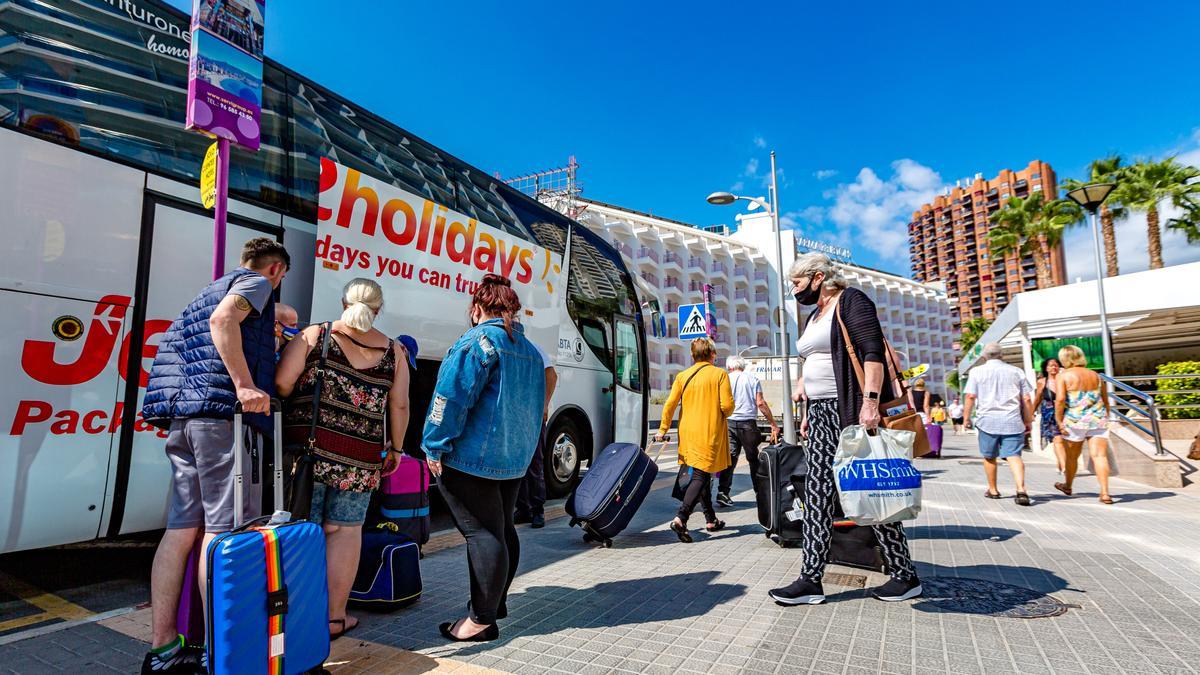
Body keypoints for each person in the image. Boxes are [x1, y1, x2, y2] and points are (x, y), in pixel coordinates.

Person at [140, 237, 289, 674]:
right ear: (276, 270)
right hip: (219, 418)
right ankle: (219, 653)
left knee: (181, 529)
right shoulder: (258, 284)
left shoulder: (208, 291)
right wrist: (245, 384)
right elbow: (225, 322)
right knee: (222, 531)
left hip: (183, 418)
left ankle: (163, 649)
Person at [768, 253, 922, 605]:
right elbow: (814, 359)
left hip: (850, 409)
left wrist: (869, 403)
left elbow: (872, 353)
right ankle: (810, 578)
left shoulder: (852, 301)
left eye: (797, 282)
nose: (795, 289)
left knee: (870, 489)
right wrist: (807, 402)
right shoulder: (814, 314)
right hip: (821, 413)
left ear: (818, 277)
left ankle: (904, 575)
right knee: (818, 493)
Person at [276, 278, 409, 640]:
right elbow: (398, 404)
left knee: (305, 532)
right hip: (362, 460)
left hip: (310, 455)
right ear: (379, 309)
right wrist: (395, 448)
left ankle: (295, 618)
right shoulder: (393, 351)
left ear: (342, 302)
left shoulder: (316, 336)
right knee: (346, 532)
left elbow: (283, 383)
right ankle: (335, 618)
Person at [422, 274, 544, 642]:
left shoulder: (477, 342)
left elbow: (451, 398)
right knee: (503, 530)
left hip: (471, 457)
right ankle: (496, 603)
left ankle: (480, 620)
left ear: (477, 308)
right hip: (512, 459)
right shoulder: (530, 350)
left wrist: (434, 444)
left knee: (483, 533)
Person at [653, 338, 734, 542]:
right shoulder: (719, 374)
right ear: (712, 355)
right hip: (709, 432)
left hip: (687, 433)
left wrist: (662, 429)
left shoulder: (682, 375)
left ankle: (711, 519)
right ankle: (681, 518)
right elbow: (727, 406)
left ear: (692, 355)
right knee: (701, 475)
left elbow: (670, 404)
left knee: (702, 474)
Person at [963, 343, 1033, 506]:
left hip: (987, 420)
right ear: (1002, 355)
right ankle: (1021, 490)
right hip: (1012, 420)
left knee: (989, 456)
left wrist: (966, 418)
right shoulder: (1016, 371)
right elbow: (1027, 398)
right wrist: (1028, 420)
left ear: (984, 356)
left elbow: (971, 396)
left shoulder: (976, 372)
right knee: (1014, 455)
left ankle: (993, 490)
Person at [715, 355, 780, 507]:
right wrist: (773, 423)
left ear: (729, 366)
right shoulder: (752, 379)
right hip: (747, 424)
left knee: (730, 458)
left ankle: (723, 492)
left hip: (728, 423)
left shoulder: (724, 379)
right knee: (753, 458)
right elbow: (760, 403)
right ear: (742, 366)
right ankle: (760, 492)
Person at [1054, 345, 1114, 504]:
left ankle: (1068, 485)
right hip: (1098, 419)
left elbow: (1060, 400)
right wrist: (1105, 415)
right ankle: (1105, 493)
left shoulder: (1063, 376)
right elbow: (1105, 400)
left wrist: (1059, 420)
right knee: (1100, 456)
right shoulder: (1096, 375)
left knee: (1072, 457)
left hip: (1075, 420)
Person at [515, 340, 558, 529]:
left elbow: (551, 374)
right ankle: (523, 509)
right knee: (517, 464)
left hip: (532, 415)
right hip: (513, 416)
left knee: (534, 463)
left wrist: (545, 404)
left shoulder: (531, 347)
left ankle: (537, 510)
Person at [1034, 358, 1067, 475]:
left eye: (1056, 365)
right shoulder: (1042, 382)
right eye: (1051, 365)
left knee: (1065, 441)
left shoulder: (1064, 380)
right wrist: (1031, 412)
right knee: (1057, 440)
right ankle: (1064, 467)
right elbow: (1038, 397)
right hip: (1050, 414)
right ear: (1046, 368)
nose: (1054, 367)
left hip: (1065, 413)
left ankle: (1060, 463)